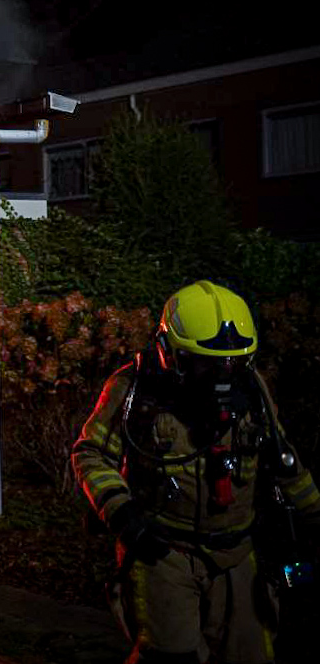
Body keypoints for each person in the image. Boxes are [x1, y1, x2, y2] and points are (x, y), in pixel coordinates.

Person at [73, 280, 320, 664]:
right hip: (163, 552)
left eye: (233, 363)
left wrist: (315, 518)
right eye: (206, 363)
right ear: (170, 353)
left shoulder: (252, 389)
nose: (223, 375)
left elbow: (283, 460)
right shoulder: (135, 389)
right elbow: (91, 454)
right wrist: (124, 515)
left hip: (237, 555)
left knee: (252, 655)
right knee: (170, 657)